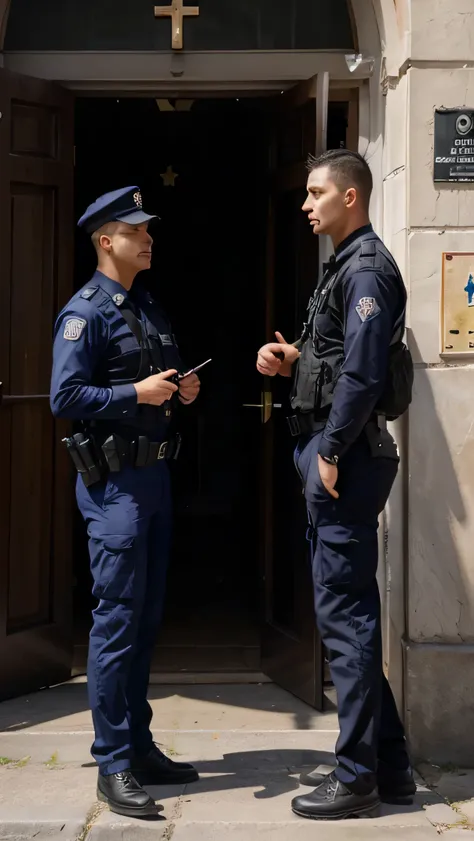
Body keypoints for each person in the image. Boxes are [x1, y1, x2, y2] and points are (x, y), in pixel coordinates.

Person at [256, 150, 415, 821]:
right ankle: (392, 765)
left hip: (345, 460)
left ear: (350, 197)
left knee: (345, 621)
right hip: (336, 453)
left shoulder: (369, 267)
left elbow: (365, 375)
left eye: (316, 191)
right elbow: (337, 360)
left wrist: (330, 451)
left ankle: (355, 778)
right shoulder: (347, 266)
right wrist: (294, 360)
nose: (305, 203)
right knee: (348, 615)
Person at [50, 187, 201, 819]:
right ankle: (112, 762)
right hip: (113, 489)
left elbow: (148, 385)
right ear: (106, 241)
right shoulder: (85, 313)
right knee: (115, 624)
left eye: (148, 230)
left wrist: (178, 390)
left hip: (153, 483)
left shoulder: (144, 305)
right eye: (135, 231)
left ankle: (138, 746)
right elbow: (65, 397)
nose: (148, 239)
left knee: (144, 622)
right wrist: (134, 393)